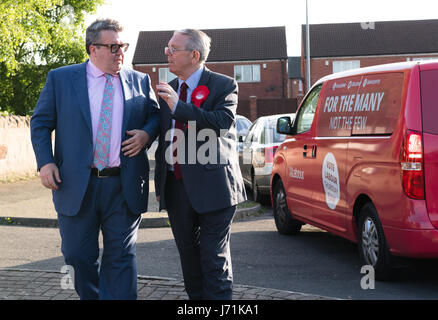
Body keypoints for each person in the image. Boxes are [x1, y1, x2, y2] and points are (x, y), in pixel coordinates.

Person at [30, 19, 159, 300]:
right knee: (77, 256)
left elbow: (155, 115)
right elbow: (40, 123)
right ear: (93, 49)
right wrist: (45, 162)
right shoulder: (62, 79)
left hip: (122, 184)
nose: (120, 52)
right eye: (113, 47)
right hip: (76, 184)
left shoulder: (139, 80)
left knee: (121, 257)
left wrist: (146, 134)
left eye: (123, 46)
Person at [154, 29, 246, 300]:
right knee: (189, 261)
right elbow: (163, 138)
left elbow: (222, 123)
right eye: (167, 47)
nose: (167, 53)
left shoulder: (223, 85)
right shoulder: (167, 89)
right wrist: (161, 182)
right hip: (176, 189)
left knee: (213, 260)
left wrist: (178, 106)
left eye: (174, 48)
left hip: (215, 188)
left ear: (194, 55)